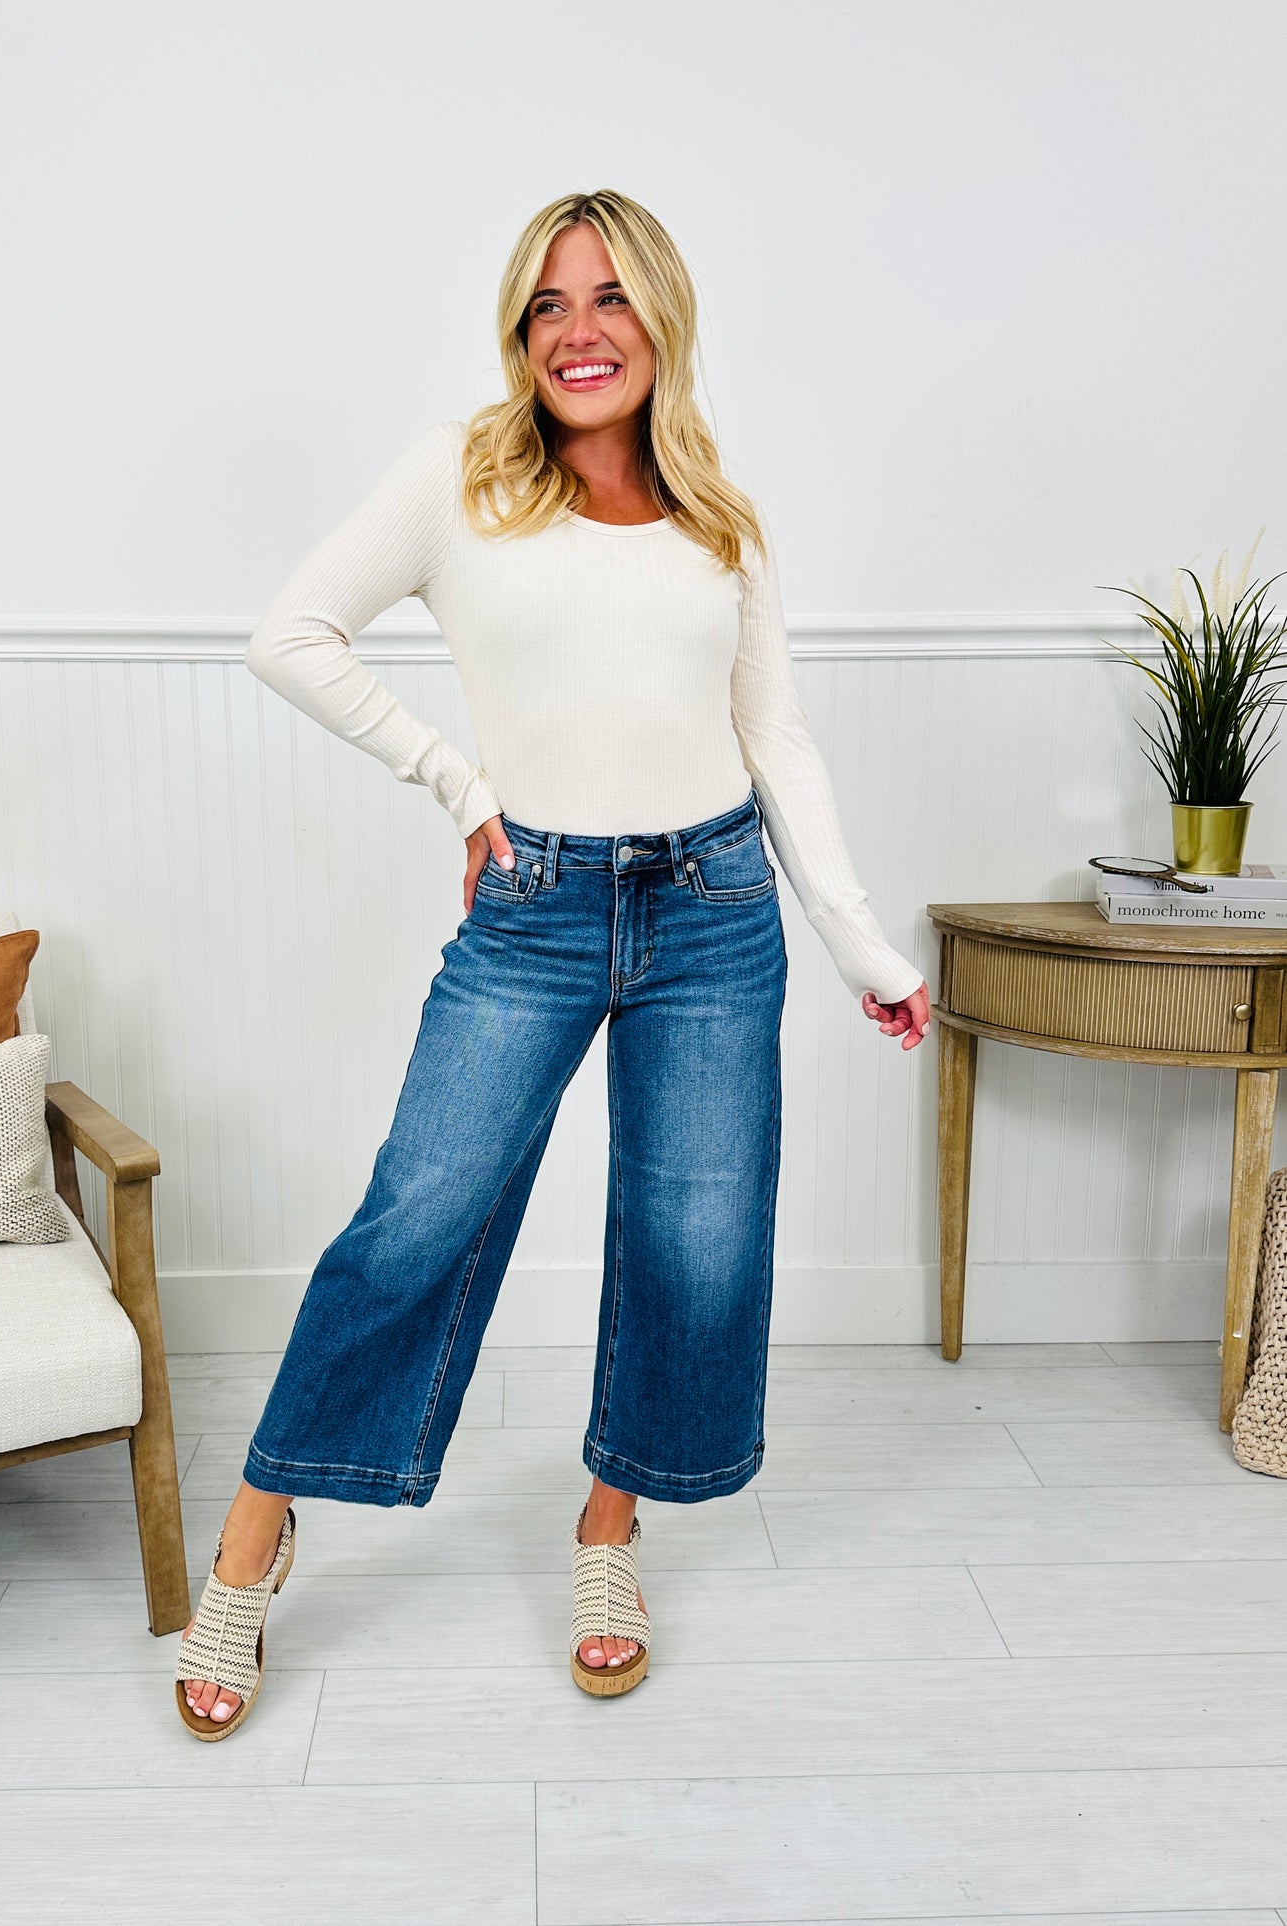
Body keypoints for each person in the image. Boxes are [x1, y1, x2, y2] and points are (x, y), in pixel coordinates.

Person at [174, 187, 930, 1737]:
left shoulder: (721, 518)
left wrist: (864, 946)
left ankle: (606, 1528)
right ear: (519, 334)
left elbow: (775, 738)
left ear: (660, 317)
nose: (578, 332)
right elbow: (290, 634)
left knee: (692, 1238)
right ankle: (254, 1533)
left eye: (607, 298)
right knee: (416, 1215)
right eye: (546, 306)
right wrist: (461, 788)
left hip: (714, 905)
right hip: (532, 904)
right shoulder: (459, 478)